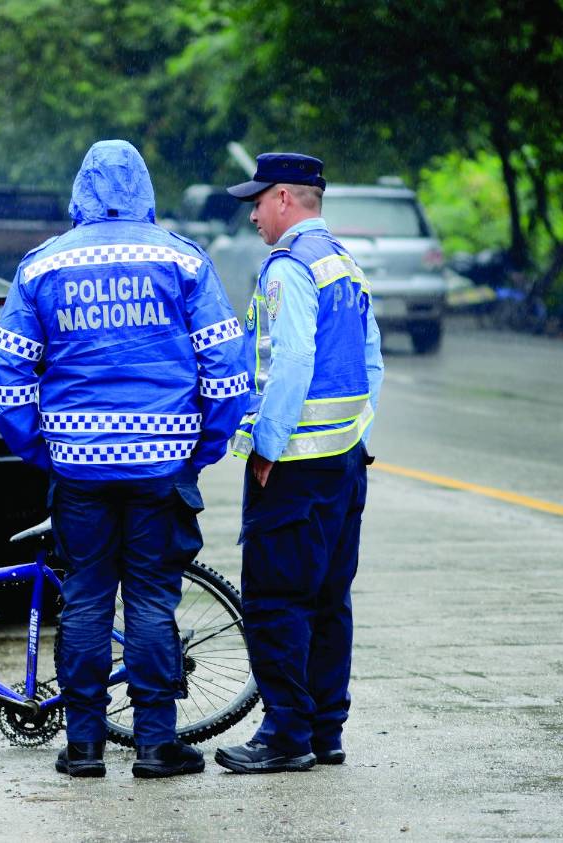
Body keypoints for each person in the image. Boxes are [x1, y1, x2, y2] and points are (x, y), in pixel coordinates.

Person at [0, 140, 249, 779]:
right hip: (163, 466)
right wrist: (201, 446)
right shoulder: (183, 260)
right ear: (144, 187)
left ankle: (83, 748)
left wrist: (44, 449)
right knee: (154, 601)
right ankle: (157, 745)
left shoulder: (43, 267)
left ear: (82, 188)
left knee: (84, 600)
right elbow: (227, 369)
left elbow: (6, 382)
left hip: (78, 468)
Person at [215, 153, 384, 774]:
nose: (253, 214)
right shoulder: (344, 260)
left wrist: (266, 445)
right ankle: (324, 731)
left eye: (257, 201)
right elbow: (373, 361)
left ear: (284, 198)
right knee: (329, 599)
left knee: (278, 601)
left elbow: (289, 361)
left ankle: (286, 735)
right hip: (345, 462)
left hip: (292, 467)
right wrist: (357, 432)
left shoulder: (288, 268)